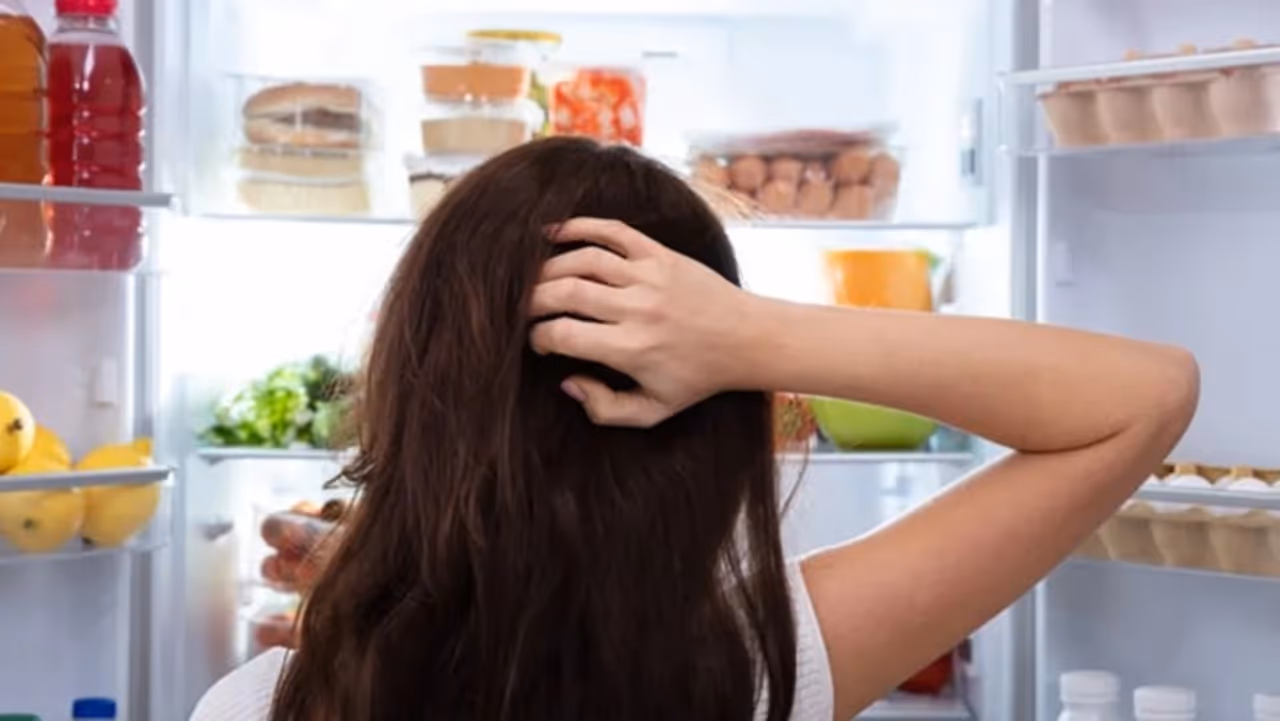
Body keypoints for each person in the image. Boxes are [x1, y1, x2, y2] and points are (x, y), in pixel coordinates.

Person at [191, 137, 1198, 721]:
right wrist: (752, 336)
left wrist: (411, 570)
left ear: (415, 389)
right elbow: (1144, 395)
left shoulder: (258, 705)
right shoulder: (756, 668)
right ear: (714, 427)